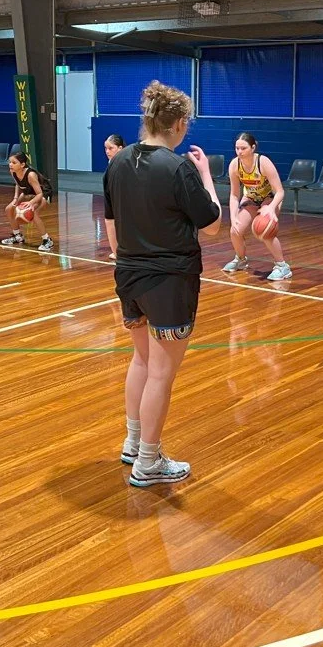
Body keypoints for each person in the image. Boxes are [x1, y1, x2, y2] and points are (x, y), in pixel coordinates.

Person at [104, 81, 222, 487]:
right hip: (169, 282)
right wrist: (207, 175)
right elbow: (212, 225)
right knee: (161, 374)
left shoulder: (117, 162)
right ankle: (149, 461)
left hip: (129, 277)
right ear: (179, 123)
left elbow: (112, 221)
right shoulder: (178, 168)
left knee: (141, 361)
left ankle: (134, 442)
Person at [221, 133, 292, 281]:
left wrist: (271, 208)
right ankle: (240, 260)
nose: (239, 152)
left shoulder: (263, 162)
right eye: (237, 148)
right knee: (235, 230)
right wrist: (233, 217)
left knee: (265, 231)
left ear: (253, 147)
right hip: (251, 199)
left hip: (270, 199)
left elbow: (280, 191)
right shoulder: (235, 164)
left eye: (243, 148)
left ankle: (282, 266)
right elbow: (234, 195)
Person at [1, 151, 54, 251]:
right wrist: (16, 198)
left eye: (14, 162)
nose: (10, 164)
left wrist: (31, 203)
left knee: (34, 213)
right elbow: (18, 184)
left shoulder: (31, 175)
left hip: (43, 192)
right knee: (9, 209)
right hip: (28, 191)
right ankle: (17, 236)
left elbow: (39, 194)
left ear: (22, 164)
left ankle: (47, 240)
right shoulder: (13, 172)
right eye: (10, 162)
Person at [102, 134, 126, 260]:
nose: (107, 151)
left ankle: (118, 252)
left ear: (120, 148)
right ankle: (116, 251)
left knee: (111, 221)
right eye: (106, 148)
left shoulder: (123, 165)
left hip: (119, 199)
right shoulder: (112, 163)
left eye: (111, 148)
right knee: (110, 220)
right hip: (111, 196)